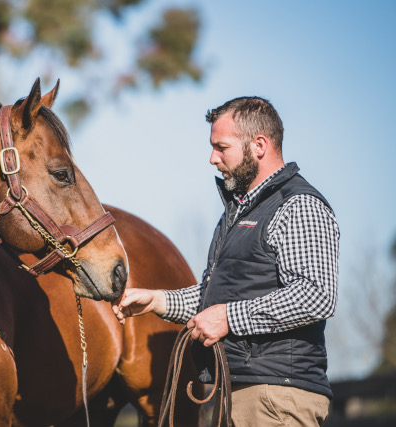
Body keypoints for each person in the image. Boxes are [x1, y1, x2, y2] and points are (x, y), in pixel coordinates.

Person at [112, 97, 339, 426]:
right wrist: (157, 299)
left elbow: (316, 295)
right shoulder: (237, 212)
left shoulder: (299, 205)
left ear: (258, 145)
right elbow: (216, 298)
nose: (212, 158)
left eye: (221, 147)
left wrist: (230, 317)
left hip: (275, 396)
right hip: (237, 390)